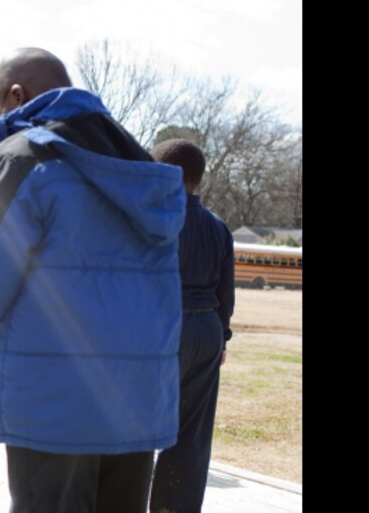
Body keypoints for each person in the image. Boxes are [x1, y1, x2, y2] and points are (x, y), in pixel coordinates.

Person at [0, 47, 185, 512]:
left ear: (15, 95)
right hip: (138, 400)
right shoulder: (138, 165)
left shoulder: (22, 158)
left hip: (57, 402)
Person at [149, 139, 235, 513]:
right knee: (191, 436)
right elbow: (225, 292)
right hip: (207, 333)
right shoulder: (219, 227)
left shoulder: (151, 219)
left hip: (163, 329)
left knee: (136, 428)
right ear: (197, 180)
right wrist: (223, 339)